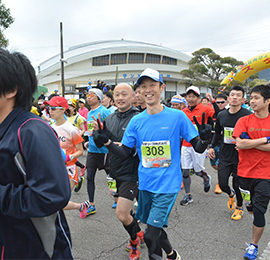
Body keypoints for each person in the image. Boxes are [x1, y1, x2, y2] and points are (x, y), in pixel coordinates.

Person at [0, 48, 73, 259]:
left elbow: (53, 195)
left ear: (10, 90)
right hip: (4, 243)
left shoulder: (32, 130)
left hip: (38, 249)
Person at [95, 68, 212, 260]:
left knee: (150, 236)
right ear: (139, 91)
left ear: (162, 88)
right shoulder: (137, 121)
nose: (148, 90)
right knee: (153, 227)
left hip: (168, 185)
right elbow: (124, 152)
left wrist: (206, 140)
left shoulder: (177, 116)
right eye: (143, 86)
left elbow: (198, 147)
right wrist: (106, 142)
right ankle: (172, 255)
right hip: (145, 184)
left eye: (152, 85)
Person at [233, 84, 270, 260]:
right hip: (244, 173)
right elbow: (239, 144)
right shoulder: (244, 121)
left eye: (256, 98)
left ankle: (253, 246)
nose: (252, 101)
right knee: (250, 208)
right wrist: (264, 139)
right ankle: (250, 206)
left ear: (268, 101)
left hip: (266, 174)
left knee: (259, 211)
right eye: (252, 97)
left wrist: (251, 142)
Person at [93, 83, 143, 260]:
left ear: (133, 97)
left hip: (132, 172)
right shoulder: (110, 118)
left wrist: (109, 142)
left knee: (121, 213)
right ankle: (138, 231)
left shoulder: (139, 118)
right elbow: (102, 143)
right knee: (125, 213)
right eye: (117, 95)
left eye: (124, 94)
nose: (120, 98)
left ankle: (134, 241)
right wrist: (97, 136)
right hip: (112, 170)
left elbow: (132, 148)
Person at [208, 86, 252, 221]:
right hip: (225, 155)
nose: (234, 97)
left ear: (243, 99)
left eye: (238, 95)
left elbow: (252, 135)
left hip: (241, 157)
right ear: (228, 98)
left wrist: (246, 144)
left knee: (237, 184)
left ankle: (239, 207)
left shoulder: (247, 116)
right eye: (232, 95)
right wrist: (211, 146)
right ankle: (230, 194)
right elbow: (217, 133)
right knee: (222, 184)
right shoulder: (222, 115)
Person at [45, 96, 89, 218]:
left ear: (63, 109)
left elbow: (80, 151)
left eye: (53, 108)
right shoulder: (49, 128)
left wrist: (68, 157)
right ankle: (81, 206)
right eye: (49, 108)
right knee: (52, 201)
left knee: (60, 202)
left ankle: (82, 206)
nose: (50, 111)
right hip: (54, 168)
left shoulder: (72, 130)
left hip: (69, 169)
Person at [180, 86, 216, 205]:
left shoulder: (206, 109)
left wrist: (214, 102)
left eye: (193, 96)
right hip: (186, 145)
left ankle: (206, 178)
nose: (190, 99)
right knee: (185, 171)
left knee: (197, 171)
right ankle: (188, 195)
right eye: (188, 96)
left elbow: (218, 116)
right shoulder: (183, 112)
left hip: (199, 145)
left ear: (198, 98)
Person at [85, 88, 111, 215]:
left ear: (99, 98)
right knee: (89, 177)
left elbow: (110, 129)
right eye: (88, 95)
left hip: (105, 151)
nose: (88, 97)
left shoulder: (104, 112)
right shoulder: (89, 113)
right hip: (92, 150)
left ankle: (118, 198)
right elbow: (91, 131)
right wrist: (87, 141)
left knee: (112, 177)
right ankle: (92, 204)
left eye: (92, 95)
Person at [207, 93, 228, 194]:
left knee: (220, 163)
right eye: (217, 102)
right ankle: (225, 172)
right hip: (213, 143)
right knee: (213, 164)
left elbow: (219, 112)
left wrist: (213, 102)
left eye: (221, 102)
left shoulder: (227, 113)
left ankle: (220, 184)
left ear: (226, 102)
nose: (219, 104)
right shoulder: (212, 113)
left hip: (224, 144)